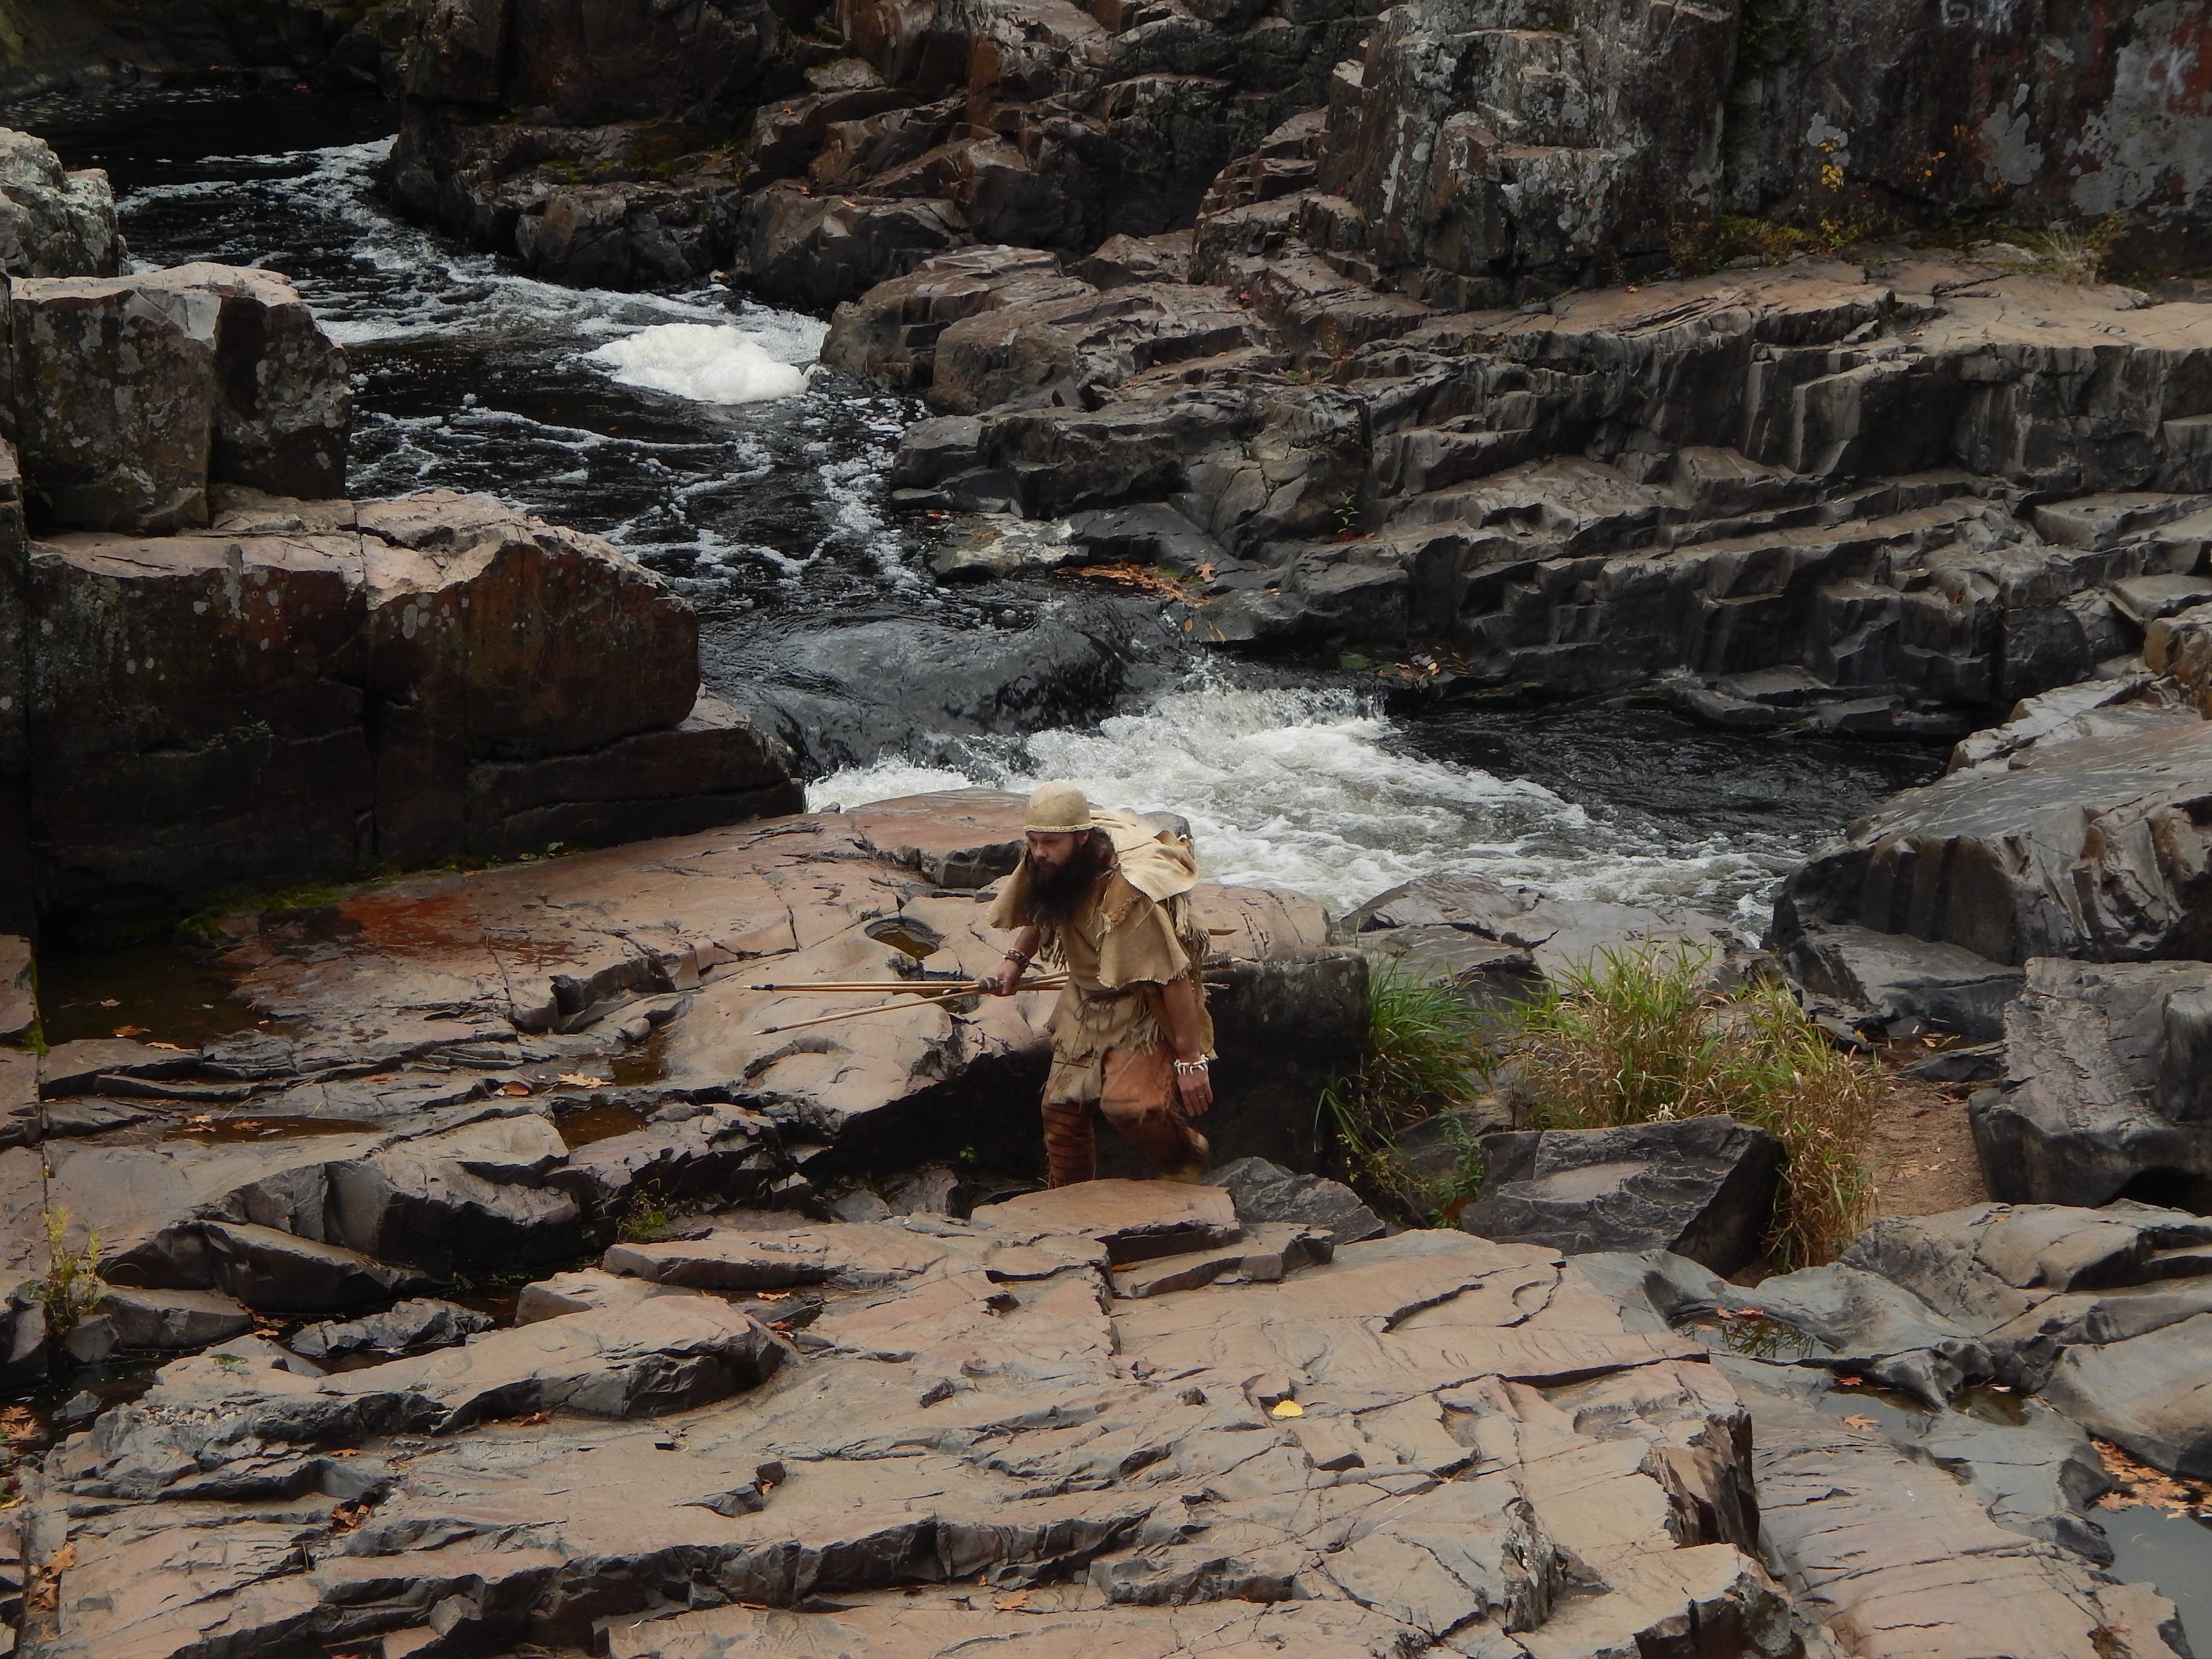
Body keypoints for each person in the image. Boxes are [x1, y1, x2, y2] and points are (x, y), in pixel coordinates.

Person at [984, 781, 1216, 1186]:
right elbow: (1045, 907)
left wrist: (1190, 1061)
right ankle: (1071, 1205)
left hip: (1141, 1001)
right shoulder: (1049, 861)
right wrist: (1015, 962)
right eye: (1034, 841)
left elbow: (1174, 977)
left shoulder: (1128, 894)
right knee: (1061, 1114)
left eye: (1051, 842)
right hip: (1086, 999)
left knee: (1130, 1107)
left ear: (1082, 838)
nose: (1039, 852)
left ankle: (1186, 1158)